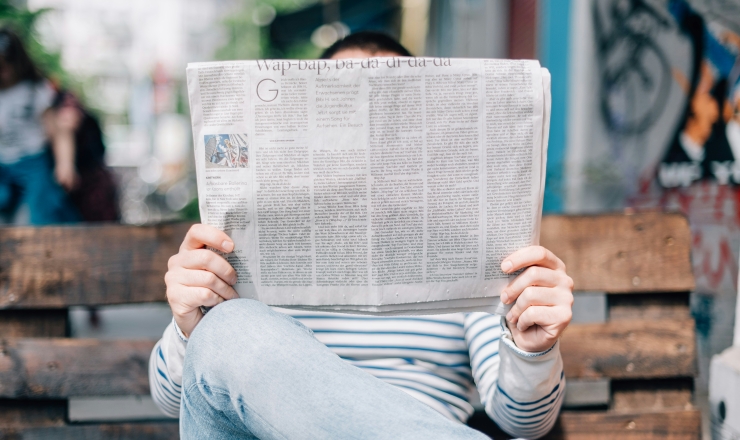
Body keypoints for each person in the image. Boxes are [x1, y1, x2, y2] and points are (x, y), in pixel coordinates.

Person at [150, 32, 573, 439]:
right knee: (230, 328)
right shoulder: (241, 245)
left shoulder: (472, 249)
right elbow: (175, 401)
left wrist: (531, 349)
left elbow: (524, 423)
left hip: (427, 417)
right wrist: (192, 325)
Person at [0, 28, 80, 224]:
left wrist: (65, 164)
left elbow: (59, 132)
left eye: (7, 64)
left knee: (39, 214)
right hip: (3, 164)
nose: (5, 72)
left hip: (33, 162)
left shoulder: (35, 90)